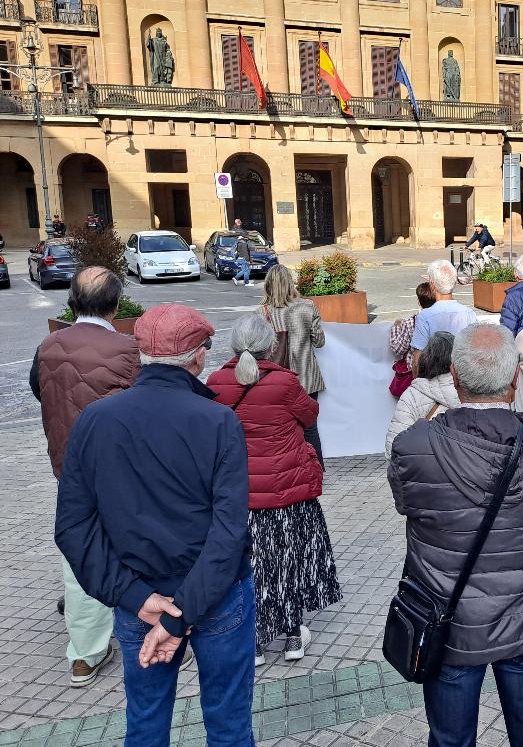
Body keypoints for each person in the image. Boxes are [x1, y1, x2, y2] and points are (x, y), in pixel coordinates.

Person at [55, 304, 254, 746]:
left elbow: (73, 528)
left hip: (141, 596)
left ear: (141, 353)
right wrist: (177, 615)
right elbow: (228, 532)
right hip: (216, 596)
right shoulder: (218, 421)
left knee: (145, 722)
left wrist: (136, 598)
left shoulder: (95, 420)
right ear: (198, 357)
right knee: (229, 724)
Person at [388, 323, 523, 747]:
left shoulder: (414, 445)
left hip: (448, 619)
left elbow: (405, 502)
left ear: (453, 377)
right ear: (514, 381)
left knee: (450, 739)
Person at [207, 314, 341, 667]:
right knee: (288, 559)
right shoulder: (284, 383)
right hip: (287, 491)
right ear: (270, 346)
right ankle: (293, 635)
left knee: (249, 565)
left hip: (240, 495)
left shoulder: (216, 382)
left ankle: (254, 641)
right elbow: (310, 415)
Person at [30, 267, 140, 688]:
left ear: (72, 301)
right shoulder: (127, 349)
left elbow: (41, 391)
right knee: (138, 548)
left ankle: (84, 655)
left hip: (68, 466)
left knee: (79, 556)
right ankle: (151, 632)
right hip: (122, 470)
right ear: (115, 304)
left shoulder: (48, 346)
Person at [262, 264, 327, 464]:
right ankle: (317, 468)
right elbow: (319, 341)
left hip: (276, 380)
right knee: (309, 427)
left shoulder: (262, 312)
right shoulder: (307, 306)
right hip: (307, 378)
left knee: (282, 427)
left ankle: (290, 467)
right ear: (290, 283)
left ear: (269, 285)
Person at [384, 331, 461, 457]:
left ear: (426, 358)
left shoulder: (412, 395)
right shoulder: (470, 391)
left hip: (423, 471)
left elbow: (393, 448)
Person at [411, 259, 478, 364]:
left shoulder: (424, 316)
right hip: (462, 374)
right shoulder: (469, 314)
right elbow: (476, 349)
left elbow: (417, 359)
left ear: (432, 286)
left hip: (434, 375)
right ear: (454, 282)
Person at [389, 282, 436, 373]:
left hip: (416, 371)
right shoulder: (443, 318)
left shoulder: (412, 322)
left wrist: (396, 328)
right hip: (439, 370)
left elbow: (398, 348)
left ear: (419, 302)